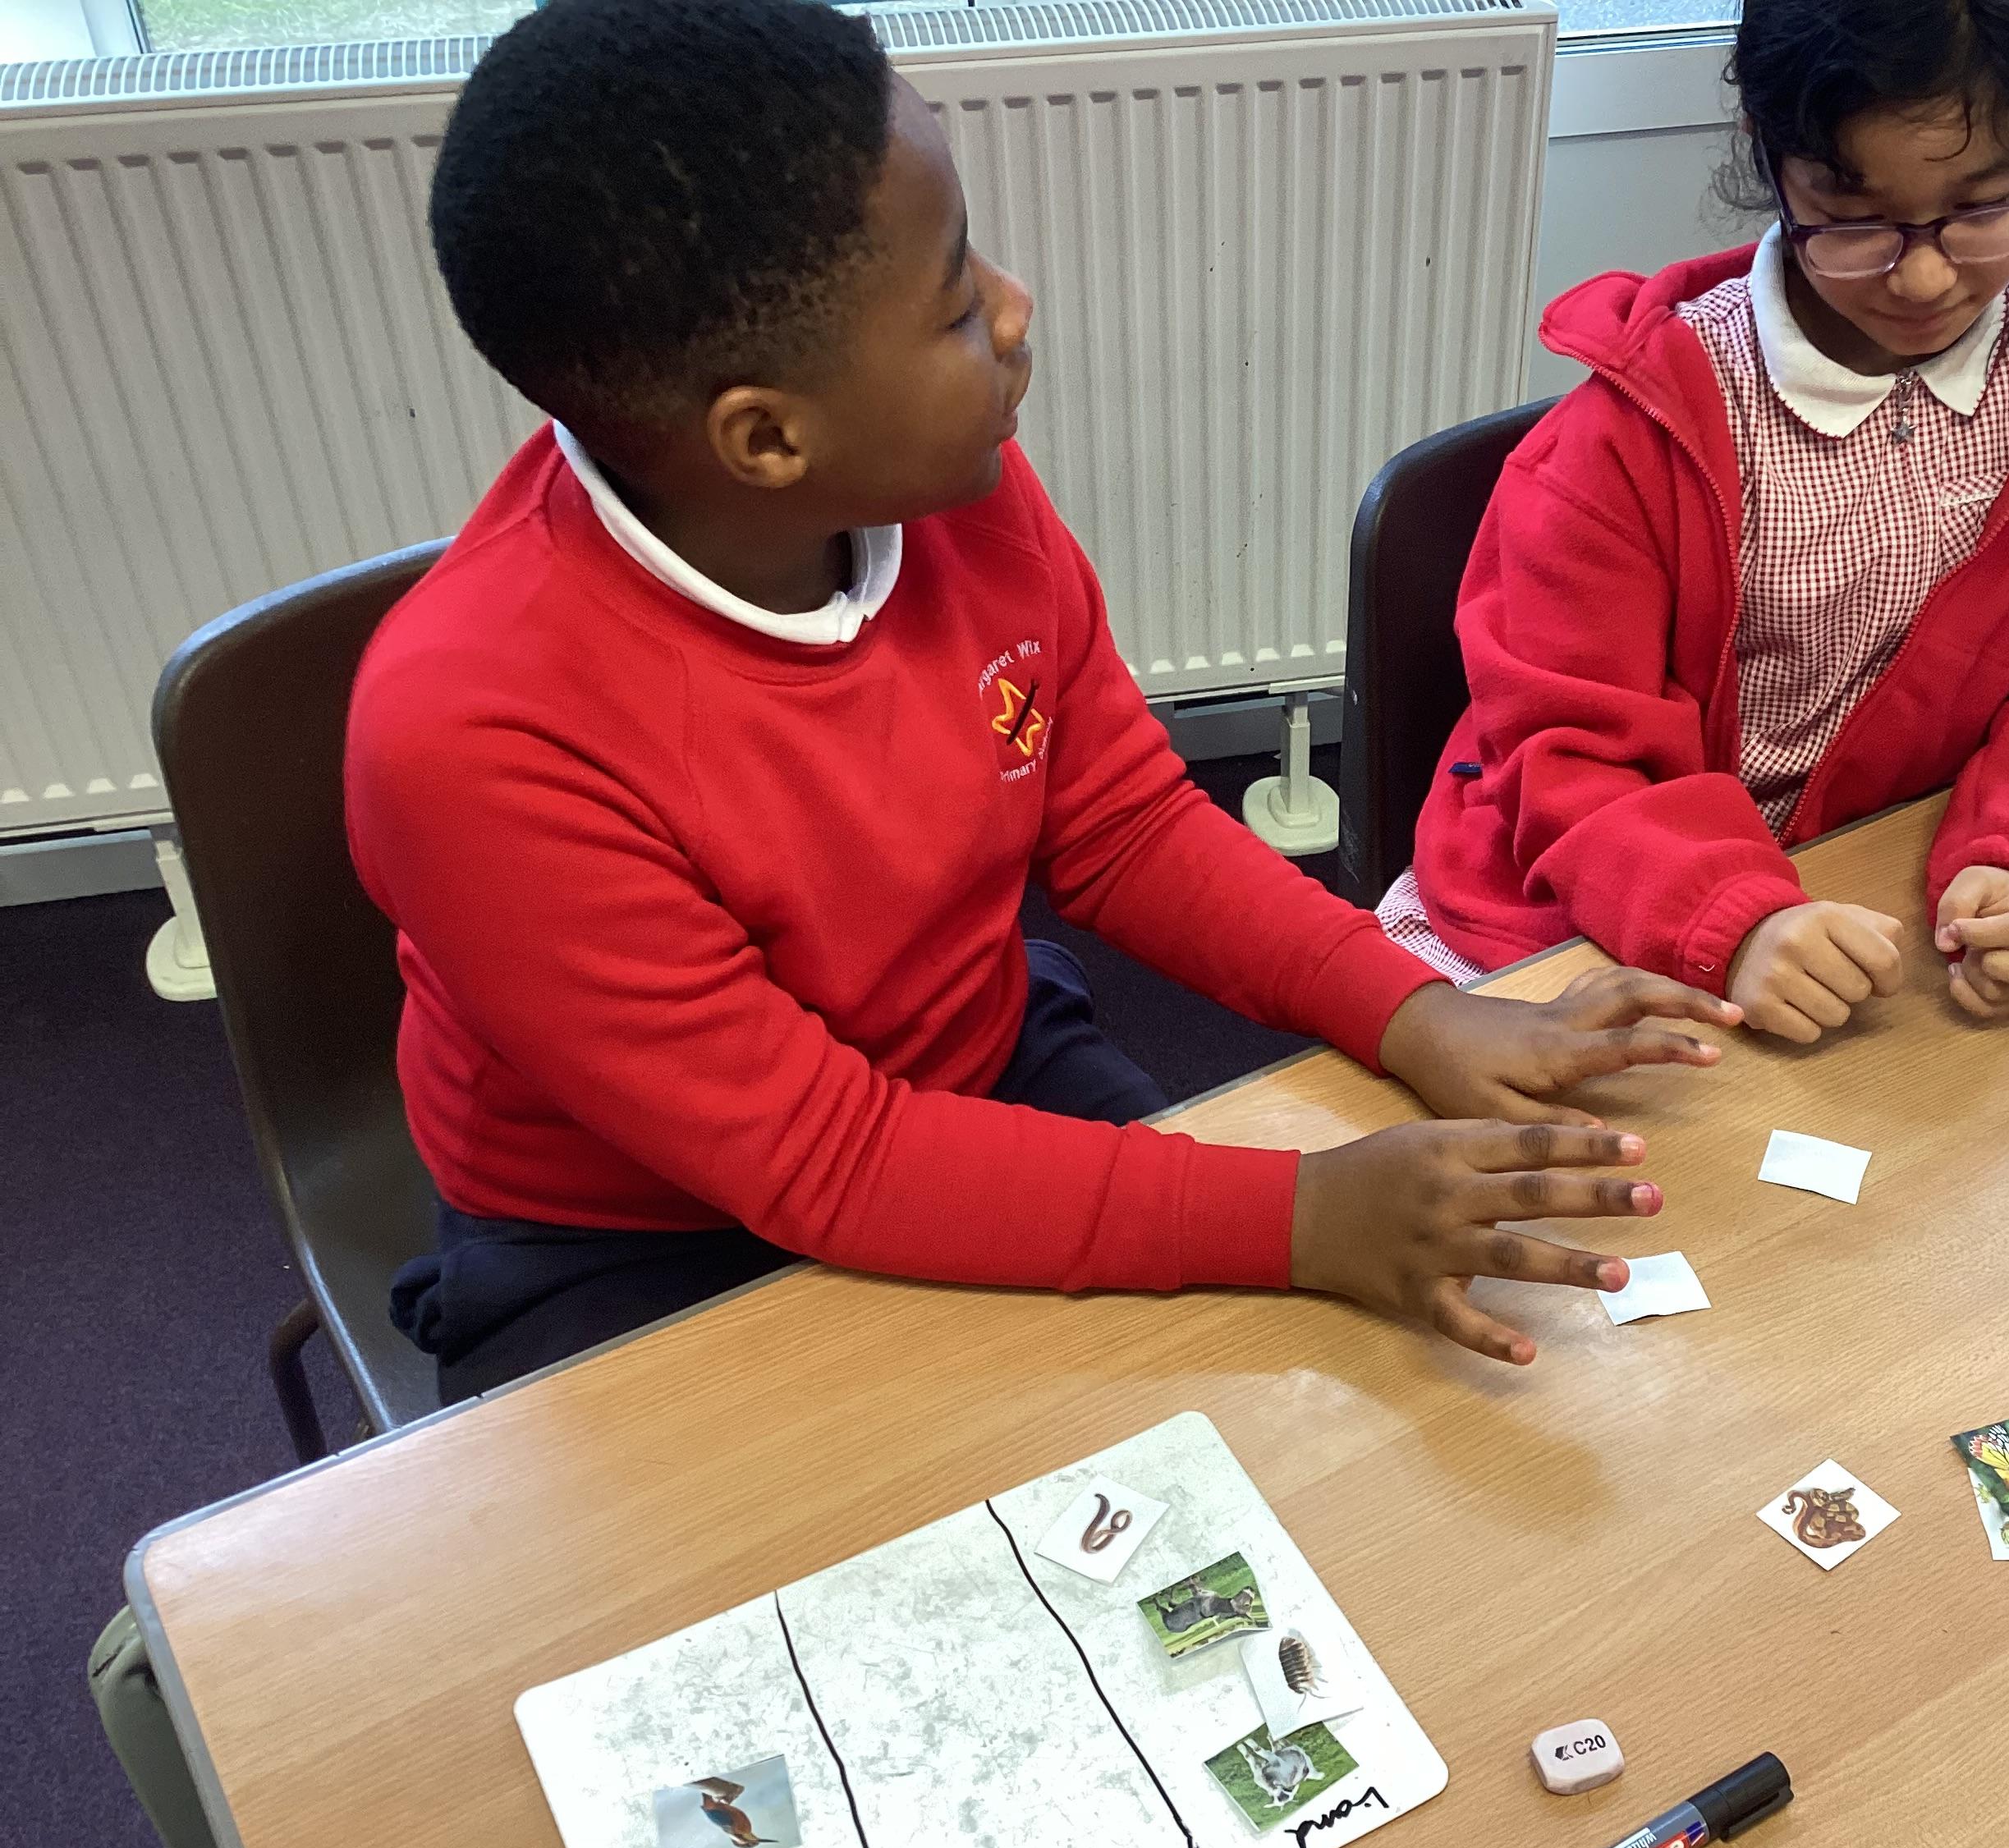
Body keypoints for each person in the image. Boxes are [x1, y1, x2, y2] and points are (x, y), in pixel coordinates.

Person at [349, 0, 1743, 1392]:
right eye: (956, 305)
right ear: (768, 438)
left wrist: (1413, 1010)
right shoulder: (471, 738)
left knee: (1247, 1421)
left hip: (973, 1053)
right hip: (636, 1235)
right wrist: (1302, 1215)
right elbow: (823, 1158)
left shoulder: (940, 482)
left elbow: (1124, 825)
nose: (1014, 307)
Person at [1378, 0, 2009, 1042]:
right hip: (1599, 898)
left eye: (1985, 208)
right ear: (1771, 156)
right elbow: (1567, 750)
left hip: (1879, 882)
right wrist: (1732, 915)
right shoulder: (1627, 435)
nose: (1925, 276)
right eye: (1854, 219)